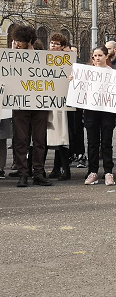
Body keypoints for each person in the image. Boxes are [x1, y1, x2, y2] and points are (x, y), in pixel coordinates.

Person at [11, 25, 52, 187]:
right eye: (15, 40)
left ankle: (38, 172)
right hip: (20, 104)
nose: (17, 43)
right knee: (20, 140)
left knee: (39, 140)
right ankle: (23, 173)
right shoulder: (11, 58)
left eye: (20, 40)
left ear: (29, 40)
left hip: (40, 104)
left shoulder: (42, 57)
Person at [82, 47, 116, 186]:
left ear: (106, 56)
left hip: (107, 111)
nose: (96, 58)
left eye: (99, 55)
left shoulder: (113, 73)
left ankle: (108, 172)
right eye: (94, 56)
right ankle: (93, 172)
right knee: (92, 142)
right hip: (91, 111)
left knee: (106, 142)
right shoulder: (86, 73)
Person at [47, 33, 73, 181]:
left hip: (62, 103)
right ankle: (55, 168)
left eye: (56, 44)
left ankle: (65, 169)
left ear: (62, 47)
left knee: (62, 136)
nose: (53, 46)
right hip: (47, 102)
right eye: (51, 43)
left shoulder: (68, 61)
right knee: (47, 136)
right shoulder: (43, 59)